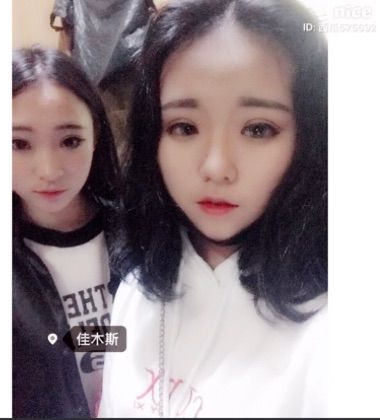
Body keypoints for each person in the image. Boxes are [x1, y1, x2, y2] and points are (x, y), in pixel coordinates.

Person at [100, 0, 327, 417]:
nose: (216, 167)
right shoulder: (136, 288)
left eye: (258, 129)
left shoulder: (333, 331)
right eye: (184, 127)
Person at [12, 47, 120, 418]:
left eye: (70, 141)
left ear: (96, 136)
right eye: (19, 143)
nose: (49, 170)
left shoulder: (141, 231)